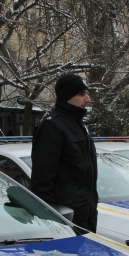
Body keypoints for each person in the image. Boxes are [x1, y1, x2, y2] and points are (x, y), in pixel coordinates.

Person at [31, 73, 98, 232]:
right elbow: (42, 180)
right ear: (68, 96)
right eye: (82, 94)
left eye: (87, 93)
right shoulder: (52, 126)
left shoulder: (79, 126)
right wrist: (51, 220)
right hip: (65, 220)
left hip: (86, 216)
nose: (87, 99)